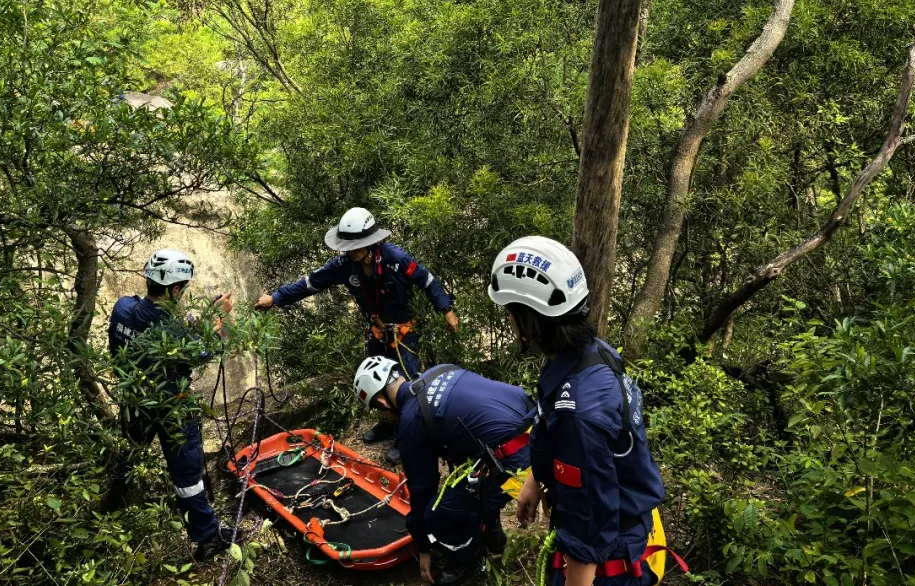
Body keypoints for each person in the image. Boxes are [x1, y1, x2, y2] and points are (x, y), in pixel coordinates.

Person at [487, 236, 674, 586]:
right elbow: (555, 431)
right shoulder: (590, 354)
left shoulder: (579, 413)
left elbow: (588, 519)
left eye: (510, 314)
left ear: (527, 321)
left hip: (607, 562)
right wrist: (536, 479)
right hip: (619, 532)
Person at [256, 207, 457, 457]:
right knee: (379, 381)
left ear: (371, 243)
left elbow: (427, 280)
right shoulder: (345, 265)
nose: (350, 251)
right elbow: (311, 283)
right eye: (347, 247)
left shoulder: (396, 259)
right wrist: (276, 298)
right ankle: (390, 423)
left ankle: (409, 436)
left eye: (355, 247)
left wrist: (446, 309)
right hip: (378, 332)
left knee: (407, 384)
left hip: (406, 334)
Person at [353, 356, 533, 586]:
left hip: (519, 458)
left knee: (438, 515)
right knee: (470, 485)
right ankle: (490, 528)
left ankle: (465, 561)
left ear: (382, 402)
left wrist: (423, 547)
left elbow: (422, 491)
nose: (385, 417)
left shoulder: (411, 422)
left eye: (380, 411)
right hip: (537, 427)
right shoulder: (439, 371)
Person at [106, 248, 232, 561]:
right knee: (187, 475)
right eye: (182, 289)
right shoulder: (172, 331)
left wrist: (196, 321)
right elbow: (203, 350)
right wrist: (219, 319)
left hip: (135, 401)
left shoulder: (122, 307)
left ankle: (110, 509)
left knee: (129, 454)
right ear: (175, 290)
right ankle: (208, 537)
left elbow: (161, 333)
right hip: (172, 409)